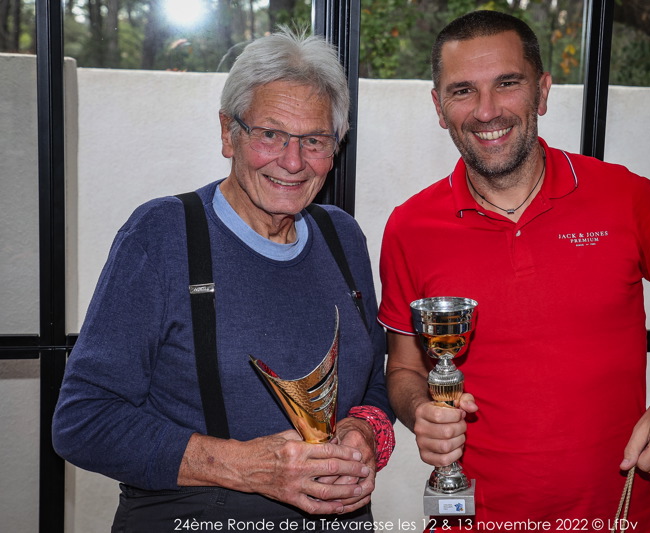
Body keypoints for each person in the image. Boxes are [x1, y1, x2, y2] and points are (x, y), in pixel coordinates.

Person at [377, 10, 650, 530]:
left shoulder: (626, 198)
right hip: (472, 519)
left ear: (543, 92)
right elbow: (404, 369)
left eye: (507, 83)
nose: (486, 110)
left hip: (620, 517)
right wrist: (421, 411)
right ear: (439, 107)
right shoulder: (409, 227)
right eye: (463, 91)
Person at [52, 28, 394, 532]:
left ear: (335, 146)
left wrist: (363, 431)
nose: (293, 161)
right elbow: (83, 421)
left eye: (314, 140)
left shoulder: (341, 236)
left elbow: (373, 383)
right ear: (227, 133)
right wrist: (244, 467)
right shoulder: (163, 234)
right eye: (270, 134)